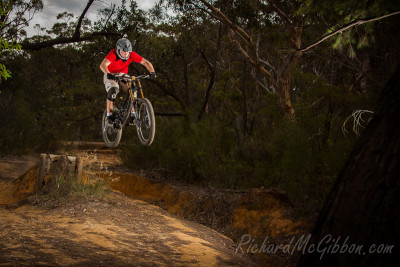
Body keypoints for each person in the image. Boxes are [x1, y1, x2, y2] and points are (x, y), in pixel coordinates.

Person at [100, 38, 156, 126]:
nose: (126, 54)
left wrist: (152, 72)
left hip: (123, 75)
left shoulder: (131, 55)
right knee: (113, 92)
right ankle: (109, 115)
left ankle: (133, 114)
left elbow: (145, 62)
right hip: (110, 74)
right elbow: (103, 65)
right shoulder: (113, 54)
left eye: (127, 52)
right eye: (123, 52)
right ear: (118, 50)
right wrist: (108, 73)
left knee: (133, 89)